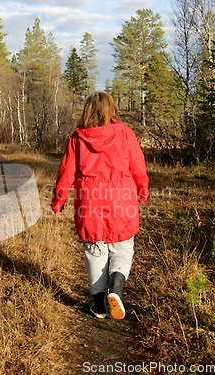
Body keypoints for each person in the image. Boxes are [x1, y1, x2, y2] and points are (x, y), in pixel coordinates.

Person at [51, 91, 149, 320]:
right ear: (111, 109)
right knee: (122, 247)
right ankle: (116, 287)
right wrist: (142, 192)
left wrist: (58, 200)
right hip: (121, 198)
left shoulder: (78, 137)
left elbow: (66, 173)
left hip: (89, 200)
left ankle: (99, 305)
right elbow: (138, 166)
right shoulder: (125, 133)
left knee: (95, 251)